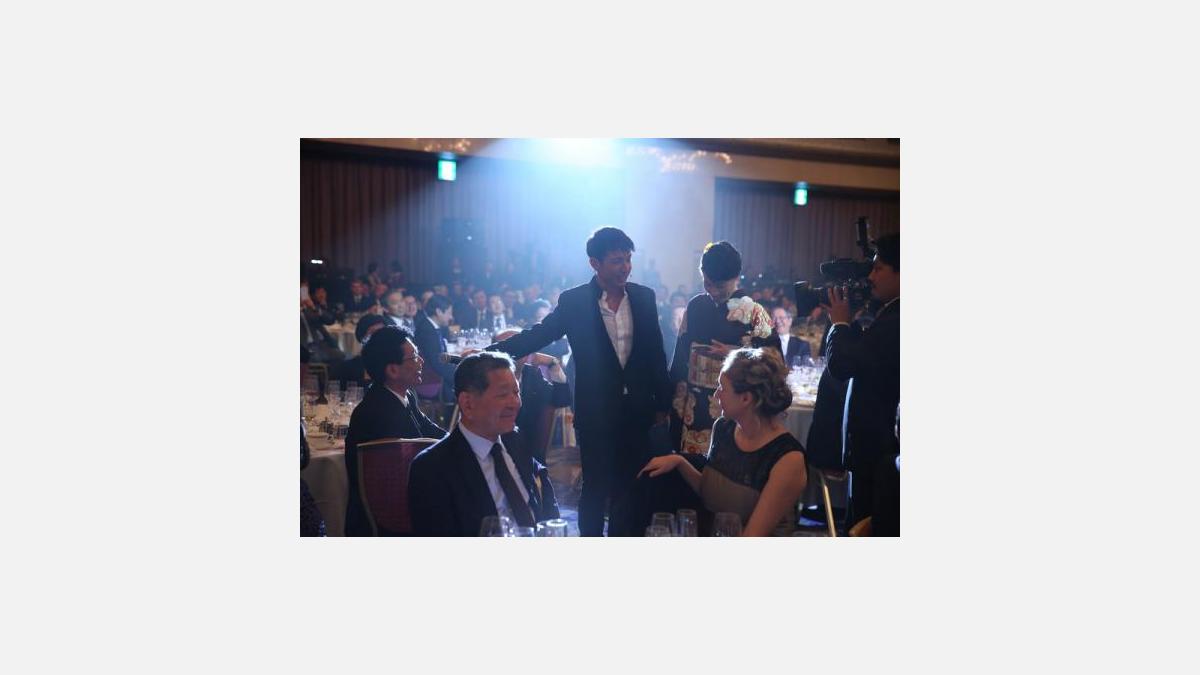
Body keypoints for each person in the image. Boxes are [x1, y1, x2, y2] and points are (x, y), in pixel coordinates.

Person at [486, 227, 672, 536]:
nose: (625, 267)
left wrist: (663, 405)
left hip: (638, 409)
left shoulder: (643, 297)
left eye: (628, 259)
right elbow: (540, 334)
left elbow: (656, 353)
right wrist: (490, 352)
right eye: (616, 261)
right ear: (594, 263)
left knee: (631, 487)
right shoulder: (575, 301)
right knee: (595, 487)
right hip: (595, 410)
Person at [639, 348, 807, 536]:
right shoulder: (724, 428)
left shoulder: (787, 458)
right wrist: (679, 462)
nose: (716, 395)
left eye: (722, 388)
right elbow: (711, 493)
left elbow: (753, 536)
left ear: (745, 398)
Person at [408, 352, 560, 536]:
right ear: (468, 404)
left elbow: (544, 505)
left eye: (516, 392)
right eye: (503, 394)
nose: (515, 403)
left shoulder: (516, 441)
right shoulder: (432, 468)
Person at [669, 241, 780, 455]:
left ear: (736, 277)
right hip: (693, 405)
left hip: (736, 407)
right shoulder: (695, 306)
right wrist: (673, 403)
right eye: (707, 283)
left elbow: (775, 361)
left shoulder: (755, 312)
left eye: (719, 286)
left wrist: (736, 353)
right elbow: (680, 358)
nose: (712, 291)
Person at [824, 232, 900, 529]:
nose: (870, 277)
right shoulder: (891, 313)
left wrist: (840, 324)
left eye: (878, 268)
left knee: (863, 526)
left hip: (877, 451)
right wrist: (851, 323)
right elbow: (864, 358)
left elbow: (842, 365)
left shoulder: (897, 320)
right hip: (877, 449)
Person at [343, 326, 445, 536]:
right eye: (414, 357)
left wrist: (460, 441)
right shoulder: (378, 412)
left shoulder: (403, 395)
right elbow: (399, 473)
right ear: (392, 370)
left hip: (404, 501)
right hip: (387, 519)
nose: (421, 361)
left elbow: (430, 430)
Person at [494, 328, 572, 463]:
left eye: (517, 347)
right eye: (505, 348)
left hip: (527, 455)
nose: (510, 354)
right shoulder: (486, 381)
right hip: (492, 452)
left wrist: (553, 364)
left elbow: (562, 399)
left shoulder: (531, 375)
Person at [414, 294, 456, 404]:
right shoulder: (427, 330)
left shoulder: (431, 326)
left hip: (435, 374)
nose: (451, 317)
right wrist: (459, 373)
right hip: (429, 380)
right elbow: (437, 363)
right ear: (438, 311)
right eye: (449, 313)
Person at [338, 313, 388, 387]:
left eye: (383, 333)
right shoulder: (346, 368)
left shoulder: (394, 367)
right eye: (373, 332)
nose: (379, 337)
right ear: (363, 337)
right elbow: (335, 392)